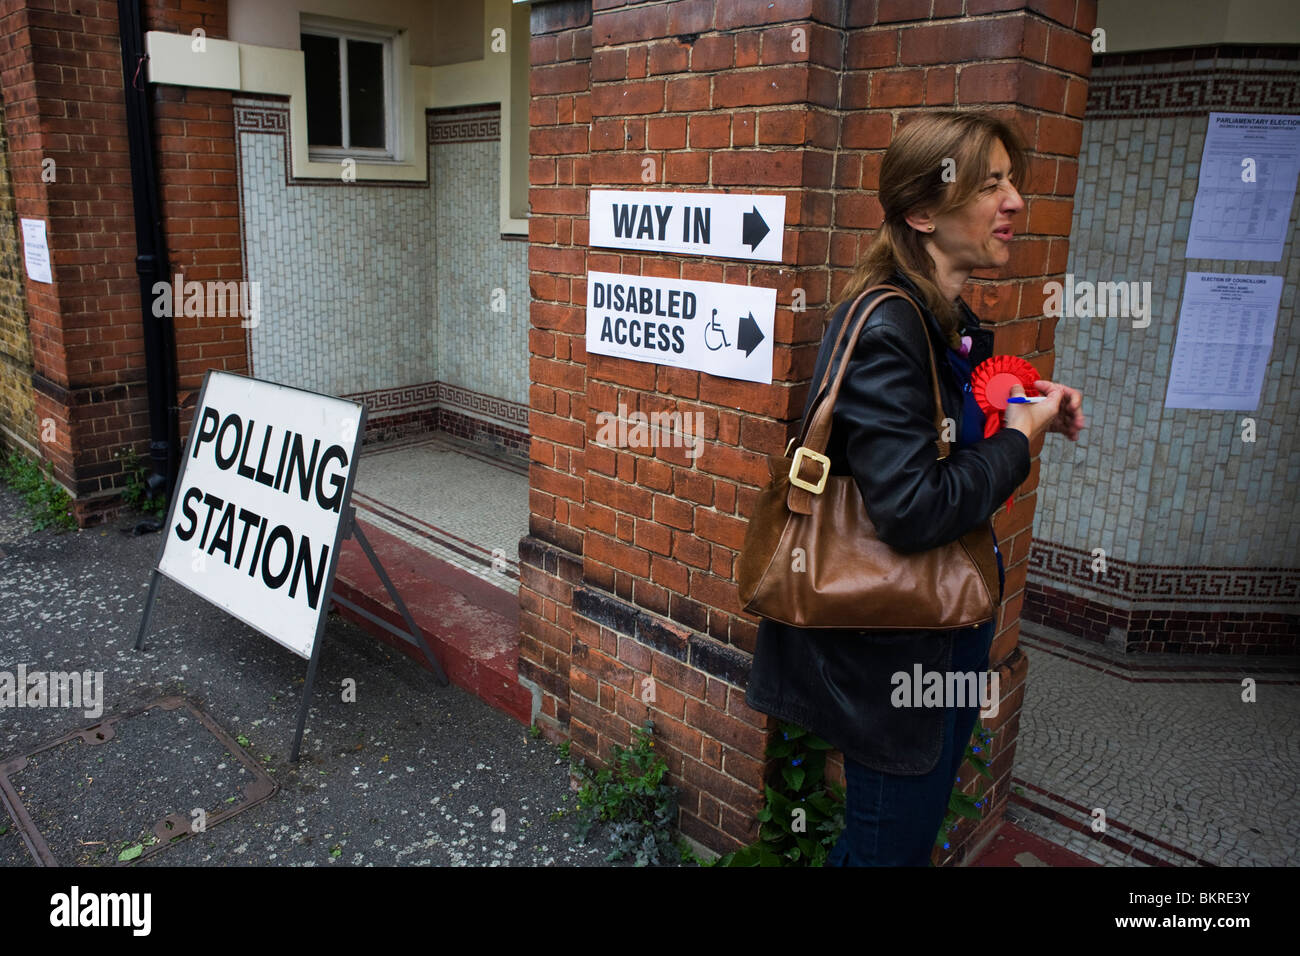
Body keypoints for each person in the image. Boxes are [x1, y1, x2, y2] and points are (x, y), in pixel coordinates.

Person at [744, 111, 1087, 866]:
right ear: (922, 211)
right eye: (990, 184)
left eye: (1012, 181)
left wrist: (1023, 405)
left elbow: (940, 434)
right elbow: (914, 507)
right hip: (899, 651)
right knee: (885, 851)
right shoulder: (890, 325)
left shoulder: (942, 321)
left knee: (899, 837)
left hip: (947, 628)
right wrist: (1019, 442)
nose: (1015, 201)